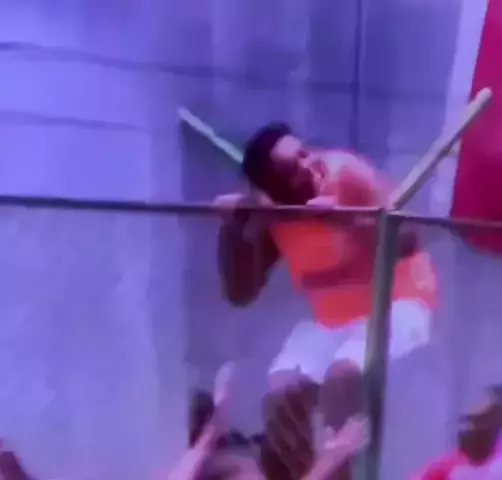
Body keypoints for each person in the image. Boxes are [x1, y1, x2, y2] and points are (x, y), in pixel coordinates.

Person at [214, 123, 436, 479]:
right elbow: (240, 294)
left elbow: (408, 237)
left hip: (399, 304)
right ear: (274, 193)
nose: (308, 167)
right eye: (291, 173)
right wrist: (233, 233)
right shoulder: (276, 217)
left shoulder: (346, 173)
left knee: (342, 377)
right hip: (334, 324)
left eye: (304, 153)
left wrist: (345, 221)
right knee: (282, 393)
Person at [412, 386, 502, 479]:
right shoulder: (448, 466)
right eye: (469, 421)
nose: (470, 428)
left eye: (482, 419)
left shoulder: (497, 460)